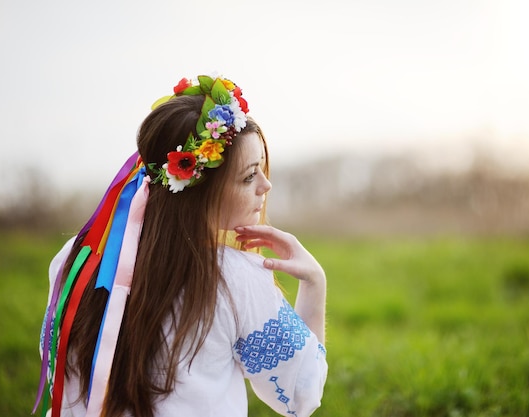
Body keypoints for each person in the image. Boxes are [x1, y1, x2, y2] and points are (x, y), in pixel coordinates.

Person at [34, 74, 328, 417]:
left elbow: (56, 364)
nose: (266, 185)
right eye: (249, 176)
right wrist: (314, 282)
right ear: (198, 191)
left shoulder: (78, 257)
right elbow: (302, 394)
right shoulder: (235, 279)